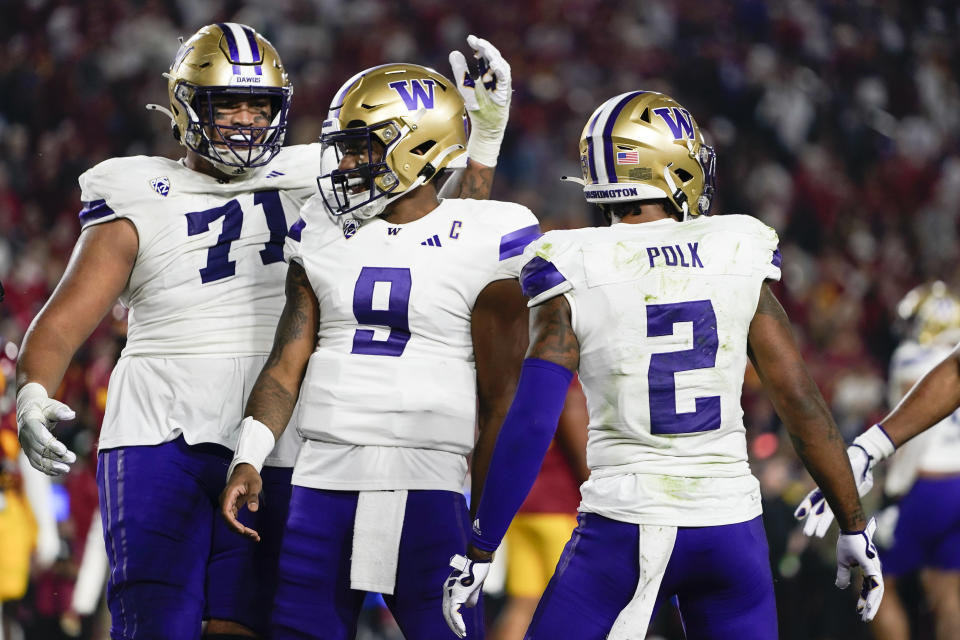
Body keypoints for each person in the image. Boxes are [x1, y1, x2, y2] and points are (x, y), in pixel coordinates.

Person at [15, 23, 511, 640]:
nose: (246, 120)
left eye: (260, 104)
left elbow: (435, 234)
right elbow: (64, 318)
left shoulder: (320, 172)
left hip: (281, 433)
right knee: (154, 622)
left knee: (246, 624)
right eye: (229, 103)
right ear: (185, 103)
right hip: (162, 424)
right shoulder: (136, 187)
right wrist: (32, 392)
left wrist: (482, 143)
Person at [441, 90, 884, 639]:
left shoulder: (573, 260)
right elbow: (799, 399)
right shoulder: (735, 247)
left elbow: (532, 420)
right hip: (730, 527)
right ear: (672, 166)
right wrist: (853, 524)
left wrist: (480, 547)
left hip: (623, 527)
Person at [219, 61, 539, 640]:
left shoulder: (489, 233)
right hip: (322, 479)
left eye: (361, 147)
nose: (343, 164)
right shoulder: (321, 226)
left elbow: (501, 400)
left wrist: (484, 528)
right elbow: (285, 363)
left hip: (427, 480)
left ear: (417, 148)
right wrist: (249, 453)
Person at [796, 281, 960, 640]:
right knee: (947, 589)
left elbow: (918, 435)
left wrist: (895, 493)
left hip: (925, 485)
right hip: (958, 483)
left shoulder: (914, 357)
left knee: (871, 578)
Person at [491, 378, 588, 640]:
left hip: (519, 507)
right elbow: (580, 448)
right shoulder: (562, 375)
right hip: (560, 509)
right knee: (574, 609)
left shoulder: (515, 375)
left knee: (523, 605)